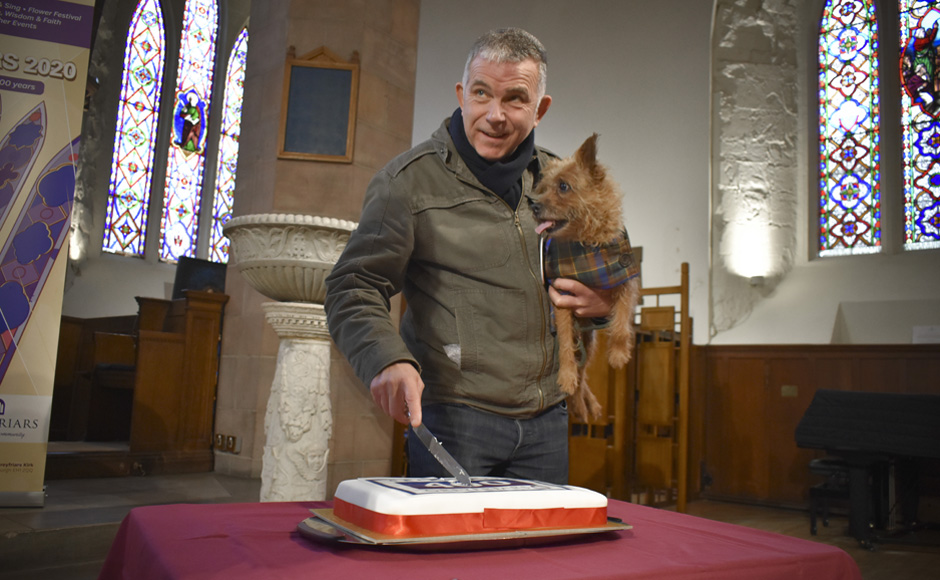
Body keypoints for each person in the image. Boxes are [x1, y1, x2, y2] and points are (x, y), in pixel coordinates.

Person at [324, 28, 613, 484]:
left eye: (515, 99)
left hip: (547, 420)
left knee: (539, 555)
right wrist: (386, 358)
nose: (494, 115)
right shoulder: (407, 183)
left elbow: (609, 263)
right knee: (455, 555)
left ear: (540, 110)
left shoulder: (562, 182)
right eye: (481, 93)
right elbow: (353, 286)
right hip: (457, 420)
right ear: (462, 94)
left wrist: (604, 304)